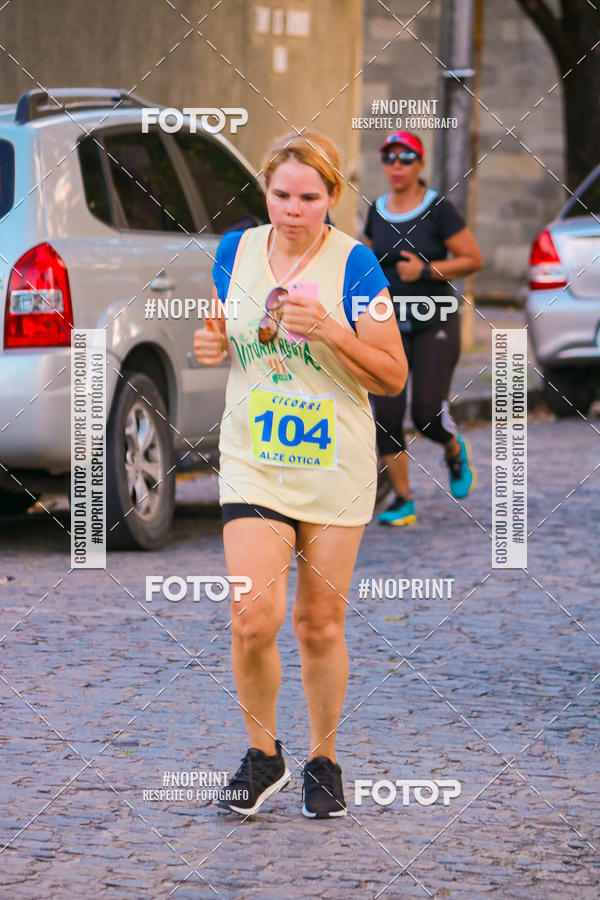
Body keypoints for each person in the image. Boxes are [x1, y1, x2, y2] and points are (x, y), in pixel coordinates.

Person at [193, 131, 407, 819]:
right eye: (281, 194)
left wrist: (333, 331)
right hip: (255, 457)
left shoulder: (357, 266)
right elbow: (234, 332)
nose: (292, 209)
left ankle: (324, 758)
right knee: (252, 614)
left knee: (319, 625)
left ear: (332, 198)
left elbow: (392, 373)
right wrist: (211, 342)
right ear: (266, 192)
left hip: (333, 463)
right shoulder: (235, 251)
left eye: (309, 197)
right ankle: (263, 755)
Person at [363, 130, 484, 526]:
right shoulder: (376, 210)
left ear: (419, 163)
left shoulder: (438, 208)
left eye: (405, 158)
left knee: (428, 412)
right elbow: (363, 259)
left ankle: (452, 448)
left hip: (436, 319)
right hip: (389, 324)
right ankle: (404, 500)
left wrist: (427, 270)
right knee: (386, 414)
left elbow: (472, 258)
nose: (396, 166)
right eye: (390, 158)